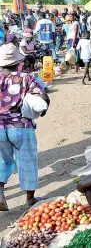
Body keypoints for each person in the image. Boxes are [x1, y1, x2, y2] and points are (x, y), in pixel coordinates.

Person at [0, 44, 50, 211]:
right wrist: (42, 109)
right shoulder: (25, 77)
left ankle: (0, 194)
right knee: (27, 161)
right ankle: (29, 199)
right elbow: (43, 97)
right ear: (17, 62)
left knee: (2, 161)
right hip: (21, 126)